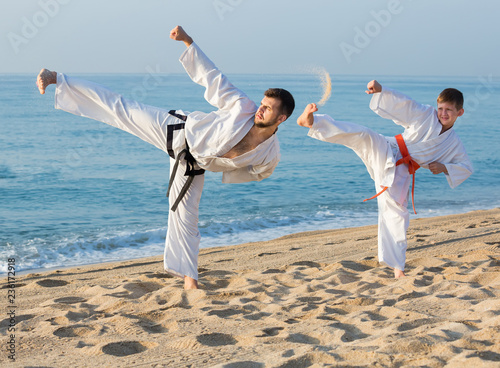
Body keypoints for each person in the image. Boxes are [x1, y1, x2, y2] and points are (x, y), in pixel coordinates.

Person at [37, 26, 295, 289]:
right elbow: (213, 78)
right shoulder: (242, 106)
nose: (260, 109)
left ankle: (189, 280)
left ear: (281, 118)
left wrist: (225, 173)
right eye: (262, 104)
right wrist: (188, 42)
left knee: (186, 216)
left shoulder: (270, 154)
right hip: (176, 131)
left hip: (192, 165)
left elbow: (260, 173)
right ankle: (57, 77)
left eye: (268, 108)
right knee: (122, 108)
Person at [296, 79, 472, 278]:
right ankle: (313, 122)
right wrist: (382, 91)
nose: (443, 113)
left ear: (460, 112)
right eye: (441, 108)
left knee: (398, 213)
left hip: (403, 171)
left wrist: (445, 167)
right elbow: (406, 104)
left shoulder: (454, 143)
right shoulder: (425, 114)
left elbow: (465, 167)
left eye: (449, 110)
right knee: (364, 135)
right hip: (389, 148)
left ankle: (398, 268)